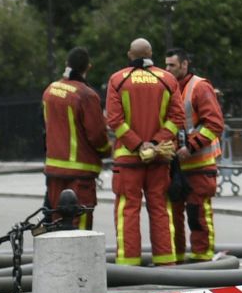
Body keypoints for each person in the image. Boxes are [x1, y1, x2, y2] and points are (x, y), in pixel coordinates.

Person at [103, 37, 181, 267]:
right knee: (160, 209)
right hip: (159, 157)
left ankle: (129, 264)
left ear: (130, 55)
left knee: (128, 210)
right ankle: (166, 262)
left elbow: (115, 121)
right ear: (151, 54)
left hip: (128, 159)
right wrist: (155, 143)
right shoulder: (167, 79)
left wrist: (138, 145)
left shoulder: (117, 80)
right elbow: (177, 118)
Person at [164, 48, 226, 264]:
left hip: (199, 164)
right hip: (176, 165)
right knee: (174, 216)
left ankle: (202, 259)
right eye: (166, 65)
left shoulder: (199, 87)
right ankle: (178, 258)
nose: (167, 69)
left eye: (172, 65)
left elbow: (215, 124)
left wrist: (190, 147)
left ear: (184, 65)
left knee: (197, 214)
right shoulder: (168, 87)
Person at [41, 47, 108, 231]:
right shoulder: (86, 95)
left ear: (66, 64)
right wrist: (106, 151)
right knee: (79, 223)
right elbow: (97, 135)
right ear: (89, 67)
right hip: (80, 173)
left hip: (54, 171)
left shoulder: (50, 91)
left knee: (55, 222)